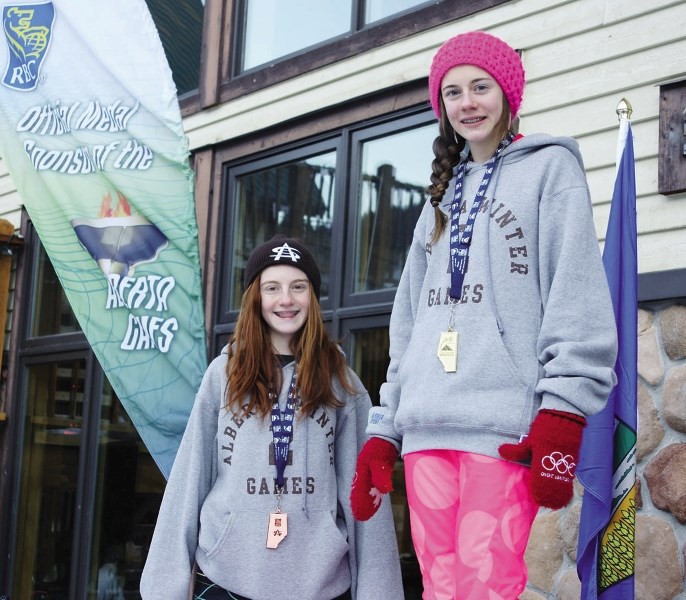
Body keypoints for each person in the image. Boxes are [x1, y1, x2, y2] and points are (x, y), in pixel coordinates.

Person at [350, 31, 618, 599]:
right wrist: (384, 429)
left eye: (480, 87)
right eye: (452, 93)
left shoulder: (550, 171)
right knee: (440, 584)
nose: (466, 102)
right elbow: (411, 322)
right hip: (426, 427)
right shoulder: (440, 197)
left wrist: (563, 413)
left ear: (507, 92)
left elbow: (576, 292)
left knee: (487, 581)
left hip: (499, 426)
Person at [141, 234, 404, 600]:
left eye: (298, 286)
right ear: (255, 297)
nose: (286, 299)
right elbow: (190, 480)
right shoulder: (224, 375)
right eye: (272, 287)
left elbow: (363, 495)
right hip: (226, 580)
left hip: (319, 584)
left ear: (311, 296)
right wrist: (162, 588)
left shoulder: (341, 382)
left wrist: (380, 592)